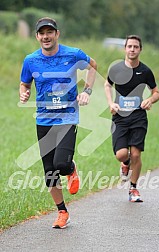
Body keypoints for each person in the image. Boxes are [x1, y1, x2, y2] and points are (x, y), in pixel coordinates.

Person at [19, 17, 97, 228]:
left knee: (60, 164)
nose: (46, 36)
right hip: (44, 119)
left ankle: (70, 168)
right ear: (37, 36)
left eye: (49, 32)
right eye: (42, 33)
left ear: (57, 34)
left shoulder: (72, 54)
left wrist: (87, 91)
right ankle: (62, 212)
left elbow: (93, 66)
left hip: (67, 117)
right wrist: (24, 93)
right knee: (49, 171)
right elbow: (24, 83)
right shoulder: (30, 60)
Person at [104, 35, 159, 202]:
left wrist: (149, 100)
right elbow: (107, 84)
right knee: (121, 155)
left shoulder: (145, 71)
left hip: (138, 117)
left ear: (140, 49)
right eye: (130, 46)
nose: (132, 49)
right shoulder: (116, 69)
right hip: (120, 117)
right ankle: (125, 163)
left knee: (136, 154)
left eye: (136, 47)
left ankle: (133, 189)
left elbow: (156, 92)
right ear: (125, 49)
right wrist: (110, 103)